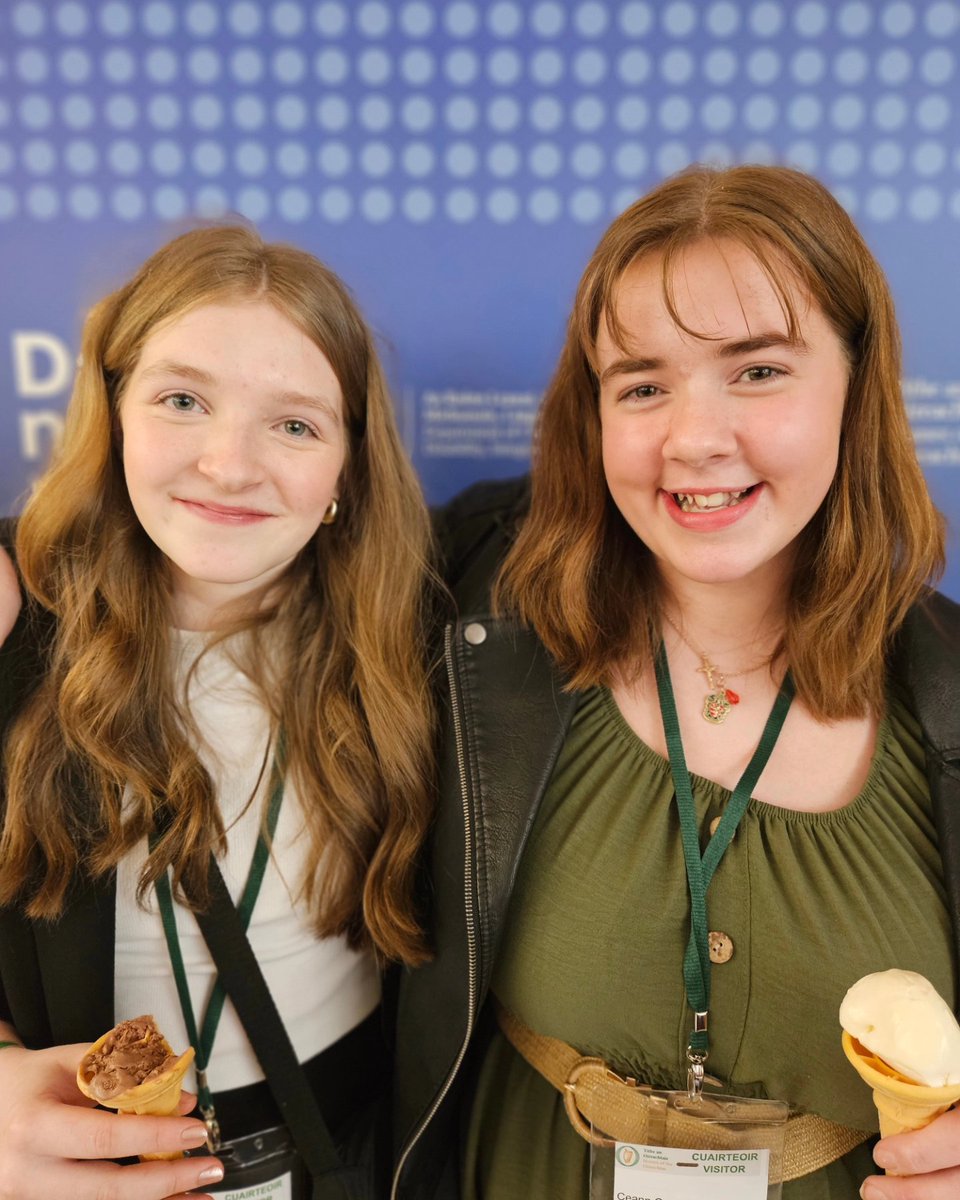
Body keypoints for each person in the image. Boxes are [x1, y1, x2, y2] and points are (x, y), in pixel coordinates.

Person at [391, 165, 960, 1200]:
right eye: (642, 385)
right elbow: (204, 561)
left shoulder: (950, 697)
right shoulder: (469, 608)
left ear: (856, 384)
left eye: (757, 372)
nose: (694, 439)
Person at [0, 224, 435, 1200]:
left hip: (338, 1157)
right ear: (110, 412)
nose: (230, 465)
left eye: (295, 425)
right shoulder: (14, 621)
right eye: (183, 400)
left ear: (346, 470)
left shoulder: (422, 643)